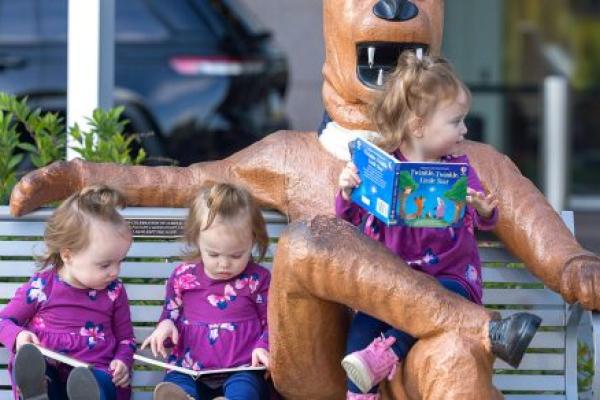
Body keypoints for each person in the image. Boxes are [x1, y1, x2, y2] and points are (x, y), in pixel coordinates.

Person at [335, 52, 537, 398]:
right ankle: (360, 393)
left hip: (449, 281)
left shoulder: (459, 169)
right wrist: (346, 189)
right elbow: (347, 218)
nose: (465, 129)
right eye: (456, 121)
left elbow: (484, 219)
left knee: (433, 301)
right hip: (392, 283)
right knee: (359, 334)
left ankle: (386, 355)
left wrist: (485, 211)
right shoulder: (383, 165)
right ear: (418, 126)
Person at [0, 185, 136, 400]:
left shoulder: (114, 292)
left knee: (97, 382)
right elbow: (3, 320)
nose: (115, 272)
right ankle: (38, 393)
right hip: (50, 366)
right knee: (38, 367)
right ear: (68, 255)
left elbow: (126, 339)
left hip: (94, 369)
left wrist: (123, 361)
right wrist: (18, 337)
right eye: (105, 265)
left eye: (120, 261)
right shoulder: (42, 287)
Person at [141, 183, 271, 400]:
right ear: (197, 240)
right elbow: (170, 315)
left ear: (253, 241)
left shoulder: (257, 279)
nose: (224, 264)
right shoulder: (183, 276)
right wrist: (165, 327)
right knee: (176, 384)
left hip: (241, 368)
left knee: (245, 389)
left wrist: (263, 347)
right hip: (190, 369)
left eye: (236, 255)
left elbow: (272, 322)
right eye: (213, 254)